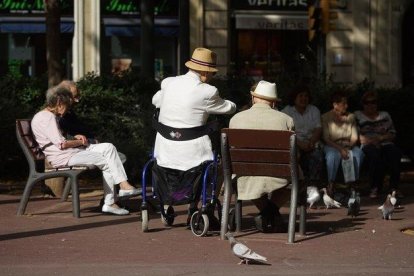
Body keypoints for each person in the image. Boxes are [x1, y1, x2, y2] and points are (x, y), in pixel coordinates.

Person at [152, 47, 236, 216]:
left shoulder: (168, 83)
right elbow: (228, 108)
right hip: (193, 153)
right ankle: (195, 206)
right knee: (216, 168)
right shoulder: (207, 91)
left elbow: (156, 100)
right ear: (205, 73)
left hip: (164, 150)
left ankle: (172, 199)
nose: (211, 76)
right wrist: (235, 105)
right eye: (211, 73)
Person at [31, 87, 139, 215]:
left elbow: (58, 140)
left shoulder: (46, 116)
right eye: (67, 106)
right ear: (60, 103)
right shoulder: (47, 117)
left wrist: (75, 138)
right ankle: (111, 202)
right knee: (108, 160)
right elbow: (61, 144)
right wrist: (80, 142)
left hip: (70, 152)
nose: (67, 110)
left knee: (108, 147)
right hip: (63, 157)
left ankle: (123, 186)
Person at [229, 80, 294, 233]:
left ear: (253, 98)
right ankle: (270, 212)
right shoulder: (286, 120)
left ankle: (266, 213)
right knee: (297, 176)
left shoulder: (236, 119)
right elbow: (293, 153)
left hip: (244, 173)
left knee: (248, 179)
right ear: (273, 103)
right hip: (278, 175)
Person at [50, 80, 127, 163]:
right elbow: (63, 141)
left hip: (83, 147)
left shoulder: (69, 114)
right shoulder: (55, 117)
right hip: (73, 153)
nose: (77, 101)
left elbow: (83, 131)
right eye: (74, 97)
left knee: (115, 155)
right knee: (115, 157)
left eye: (78, 96)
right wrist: (90, 141)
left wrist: (94, 140)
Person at [355, 91, 402, 198]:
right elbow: (357, 136)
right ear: (363, 104)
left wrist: (380, 139)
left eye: (373, 102)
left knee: (395, 153)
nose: (371, 105)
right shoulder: (358, 115)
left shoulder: (385, 115)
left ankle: (394, 188)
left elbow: (392, 133)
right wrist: (372, 141)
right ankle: (374, 187)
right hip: (367, 144)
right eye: (367, 102)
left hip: (385, 142)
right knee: (374, 155)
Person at [321, 90, 364, 194]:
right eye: (343, 103)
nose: (347, 106)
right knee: (332, 155)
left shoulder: (351, 117)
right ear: (335, 104)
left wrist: (348, 147)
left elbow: (354, 137)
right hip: (332, 144)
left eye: (346, 103)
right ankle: (331, 183)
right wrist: (341, 149)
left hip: (348, 144)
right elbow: (326, 138)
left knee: (358, 154)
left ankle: (352, 184)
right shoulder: (325, 117)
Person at [282, 85, 323, 186]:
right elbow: (286, 132)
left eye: (306, 96)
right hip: (295, 143)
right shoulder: (286, 111)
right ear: (294, 98)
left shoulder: (314, 110)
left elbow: (318, 128)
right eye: (300, 96)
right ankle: (297, 185)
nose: (304, 98)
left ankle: (313, 185)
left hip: (311, 142)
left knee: (317, 156)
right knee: (295, 155)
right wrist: (300, 144)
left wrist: (311, 142)